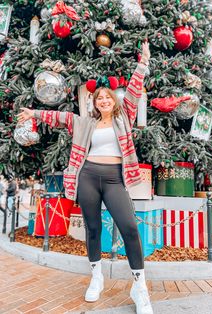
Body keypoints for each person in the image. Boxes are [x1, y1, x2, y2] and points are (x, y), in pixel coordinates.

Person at [17, 42, 153, 314]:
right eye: (99, 98)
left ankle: (139, 286)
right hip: (88, 176)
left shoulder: (124, 116)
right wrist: (34, 113)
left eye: (107, 98)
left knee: (129, 228)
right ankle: (96, 277)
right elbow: (60, 117)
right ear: (94, 102)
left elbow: (136, 88)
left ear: (114, 100)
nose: (103, 101)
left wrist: (144, 61)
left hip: (115, 178)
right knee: (92, 229)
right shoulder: (85, 122)